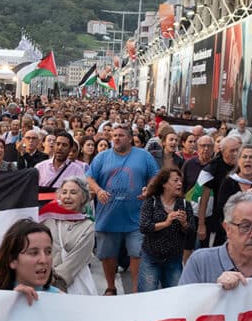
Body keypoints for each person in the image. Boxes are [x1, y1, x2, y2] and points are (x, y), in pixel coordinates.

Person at [86, 123, 160, 295]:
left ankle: (135, 289)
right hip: (108, 216)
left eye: (120, 135)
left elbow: (156, 176)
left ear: (129, 138)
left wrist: (149, 188)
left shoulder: (143, 156)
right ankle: (111, 287)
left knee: (137, 254)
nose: (116, 138)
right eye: (114, 136)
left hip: (136, 216)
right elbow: (89, 176)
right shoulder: (102, 157)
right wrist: (98, 190)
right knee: (107, 255)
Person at [179, 192, 252, 289]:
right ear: (227, 228)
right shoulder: (200, 263)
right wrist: (215, 291)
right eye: (245, 226)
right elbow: (182, 307)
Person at [0, 219, 64, 303]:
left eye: (48, 252)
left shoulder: (61, 299)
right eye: (34, 253)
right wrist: (12, 299)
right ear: (12, 260)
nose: (44, 260)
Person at [138, 167, 194, 292]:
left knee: (174, 299)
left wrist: (184, 223)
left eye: (180, 181)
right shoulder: (151, 201)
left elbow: (191, 231)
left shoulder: (185, 204)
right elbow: (144, 227)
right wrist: (166, 223)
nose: (180, 183)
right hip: (151, 259)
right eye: (175, 180)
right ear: (164, 184)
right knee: (147, 298)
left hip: (174, 261)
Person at [41, 177, 97, 294]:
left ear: (83, 198)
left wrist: (53, 280)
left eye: (73, 192)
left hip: (73, 284)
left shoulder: (87, 226)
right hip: (44, 280)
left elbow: (76, 259)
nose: (67, 196)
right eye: (64, 192)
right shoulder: (48, 217)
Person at [196, 136, 241, 247]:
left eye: (237, 150)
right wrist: (201, 225)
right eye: (232, 151)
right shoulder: (213, 168)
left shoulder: (241, 166)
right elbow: (204, 198)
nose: (235, 154)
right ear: (223, 151)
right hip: (216, 220)